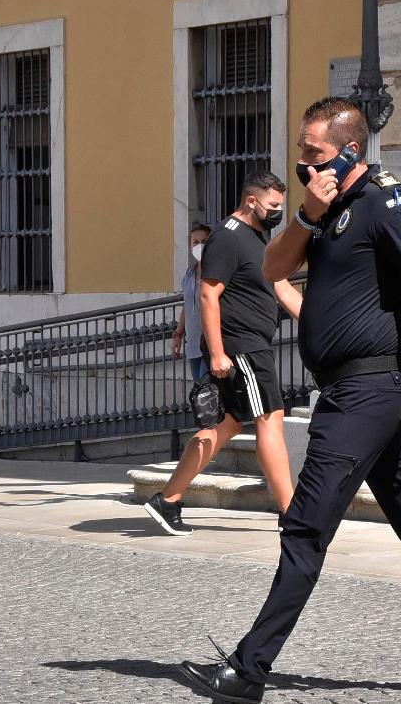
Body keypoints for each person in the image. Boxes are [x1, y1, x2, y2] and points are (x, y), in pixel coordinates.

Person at [178, 98, 401, 701]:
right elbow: (272, 267)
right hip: (354, 394)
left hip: (365, 394)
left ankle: (247, 669)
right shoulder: (328, 211)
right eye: (300, 150)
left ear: (349, 151)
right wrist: (307, 214)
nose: (301, 161)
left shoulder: (387, 204)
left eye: (312, 152)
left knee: (305, 528)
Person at [143, 171, 304, 537]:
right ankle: (291, 513)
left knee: (225, 425)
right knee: (270, 417)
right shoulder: (227, 238)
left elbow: (281, 286)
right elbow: (207, 294)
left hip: (250, 345)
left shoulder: (257, 238)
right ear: (252, 201)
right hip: (240, 347)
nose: (279, 212)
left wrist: (317, 321)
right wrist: (216, 353)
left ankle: (167, 500)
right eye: (274, 205)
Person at [173, 221, 212, 382]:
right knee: (200, 394)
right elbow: (187, 306)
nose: (199, 246)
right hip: (193, 346)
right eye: (195, 242)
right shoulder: (189, 274)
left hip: (211, 344)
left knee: (206, 388)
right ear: (189, 246)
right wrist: (178, 334)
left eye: (204, 241)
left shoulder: (217, 270)